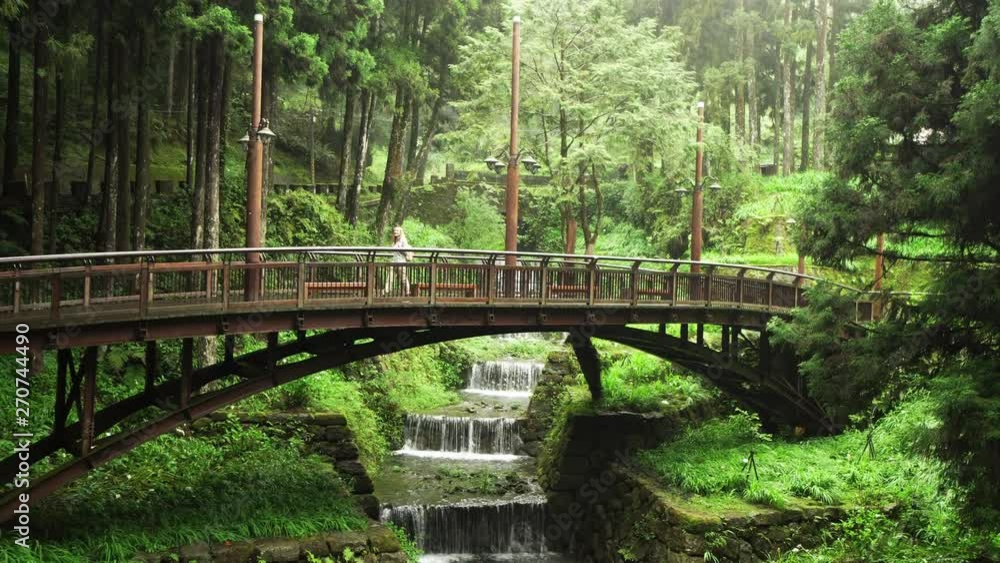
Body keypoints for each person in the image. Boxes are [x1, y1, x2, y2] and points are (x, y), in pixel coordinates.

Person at [385, 225, 413, 294]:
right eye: (394, 230)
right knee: (390, 276)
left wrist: (400, 248)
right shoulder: (394, 241)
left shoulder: (403, 240)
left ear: (400, 232)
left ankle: (407, 291)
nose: (395, 232)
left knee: (403, 278)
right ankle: (387, 290)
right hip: (394, 261)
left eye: (397, 230)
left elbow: (406, 251)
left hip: (401, 262)